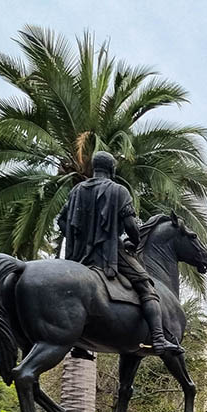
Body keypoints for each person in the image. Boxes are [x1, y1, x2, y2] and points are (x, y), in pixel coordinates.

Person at [56, 150, 181, 356]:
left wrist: (78, 239)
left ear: (95, 167)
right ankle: (159, 339)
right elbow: (131, 224)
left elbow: (62, 220)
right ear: (112, 169)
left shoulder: (77, 190)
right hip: (108, 253)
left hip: (79, 258)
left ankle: (78, 345)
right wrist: (135, 240)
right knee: (146, 285)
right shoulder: (118, 190)